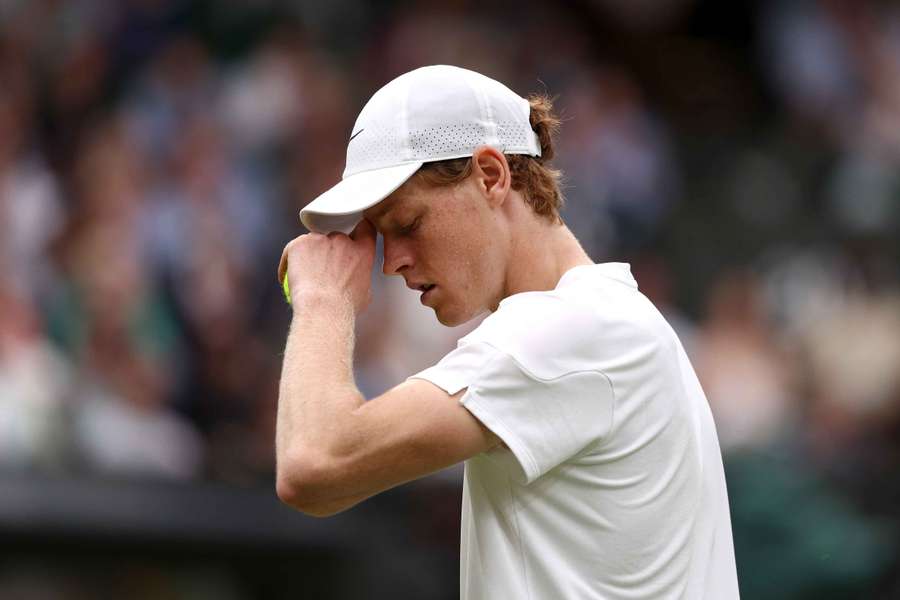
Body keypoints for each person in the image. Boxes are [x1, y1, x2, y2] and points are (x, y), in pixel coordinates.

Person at [275, 65, 739, 600]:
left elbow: (314, 465)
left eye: (407, 225)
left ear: (492, 176)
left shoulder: (570, 329)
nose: (390, 262)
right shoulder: (608, 320)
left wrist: (323, 299)